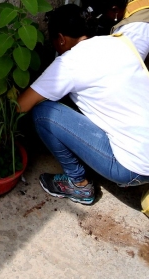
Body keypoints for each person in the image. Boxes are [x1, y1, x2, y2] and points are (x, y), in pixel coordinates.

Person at [17, 4, 149, 205]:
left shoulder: (68, 64)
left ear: (60, 39)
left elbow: (20, 106)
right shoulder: (121, 43)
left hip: (133, 168)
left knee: (43, 113)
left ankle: (79, 185)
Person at [82, 0, 149, 59]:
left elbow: (122, 66)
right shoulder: (136, 4)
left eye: (103, 16)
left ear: (115, 10)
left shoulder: (132, 31)